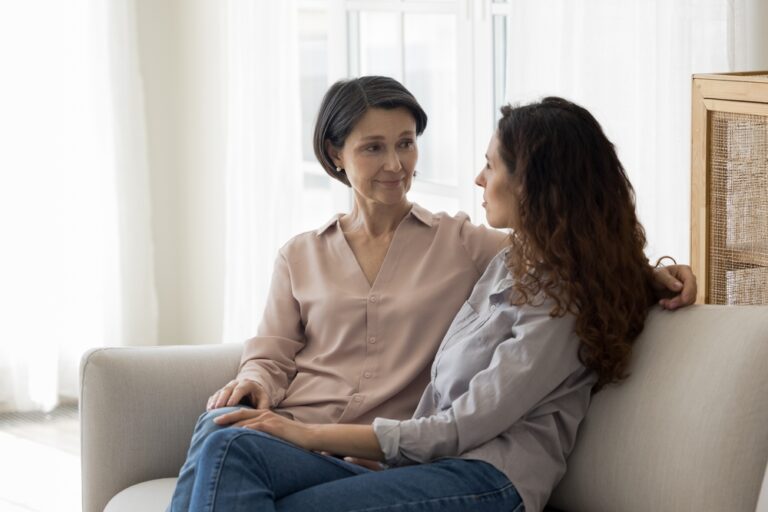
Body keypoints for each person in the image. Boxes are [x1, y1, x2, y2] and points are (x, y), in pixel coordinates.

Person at [168, 78, 696, 511]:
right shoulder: (509, 264)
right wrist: (258, 386)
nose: (397, 163)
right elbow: (272, 349)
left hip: (479, 473)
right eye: (374, 147)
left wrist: (658, 276)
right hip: (413, 457)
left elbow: (585, 259)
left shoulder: (476, 250)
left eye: (406, 142)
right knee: (222, 431)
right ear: (337, 155)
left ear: (533, 183)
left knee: (247, 471)